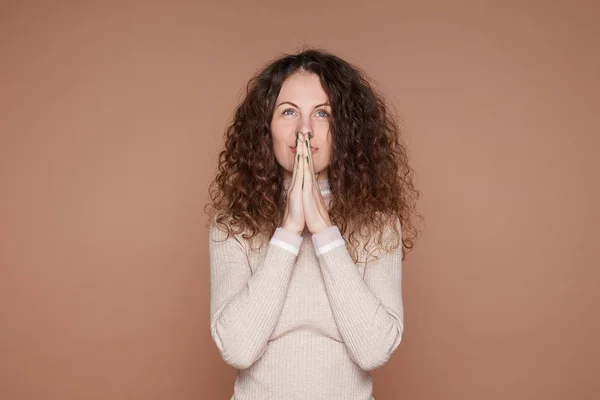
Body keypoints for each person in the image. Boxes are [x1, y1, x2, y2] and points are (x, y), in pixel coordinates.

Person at [205, 49, 420, 400]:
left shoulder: (377, 223)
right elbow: (237, 348)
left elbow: (375, 350)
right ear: (266, 127)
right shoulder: (232, 225)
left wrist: (323, 230)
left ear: (346, 129)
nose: (304, 129)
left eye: (322, 113)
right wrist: (288, 232)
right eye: (288, 112)